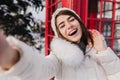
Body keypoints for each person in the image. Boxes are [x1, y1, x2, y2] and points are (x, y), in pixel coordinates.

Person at [0, 8, 120, 80]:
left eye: (71, 19)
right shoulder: (59, 57)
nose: (69, 25)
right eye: (62, 25)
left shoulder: (99, 46)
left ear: (79, 22)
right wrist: (13, 57)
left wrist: (103, 52)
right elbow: (41, 68)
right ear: (60, 33)